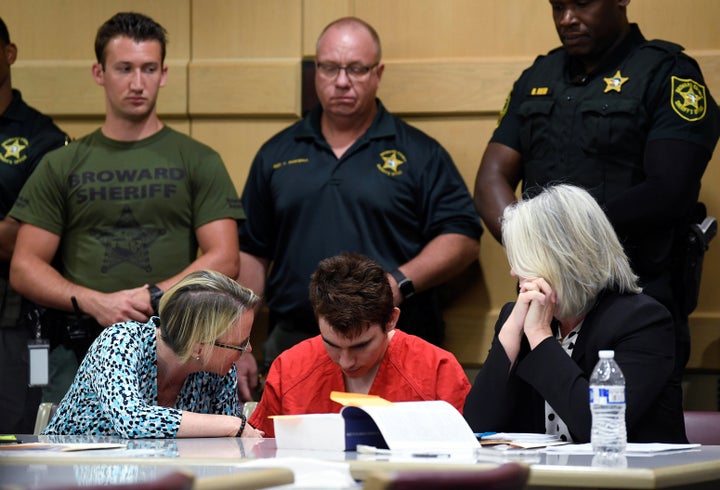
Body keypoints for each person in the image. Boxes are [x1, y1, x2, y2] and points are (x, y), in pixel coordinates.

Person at [473, 0, 720, 375]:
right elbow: (491, 176)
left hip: (635, 301)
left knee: (620, 427)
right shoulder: (539, 76)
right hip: (544, 302)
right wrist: (528, 245)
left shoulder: (667, 73)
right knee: (534, 429)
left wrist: (572, 239)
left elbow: (670, 188)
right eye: (557, 7)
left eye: (582, 4)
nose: (567, 19)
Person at [9, 12, 244, 403]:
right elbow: (24, 266)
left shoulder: (198, 159)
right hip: (76, 348)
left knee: (174, 457)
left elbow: (226, 257)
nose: (138, 83)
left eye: (149, 69)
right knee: (67, 456)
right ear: (99, 73)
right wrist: (94, 301)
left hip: (172, 345)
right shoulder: (62, 163)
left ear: (164, 73)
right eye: (124, 69)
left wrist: (153, 295)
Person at [238, 17, 482, 377]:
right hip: (298, 341)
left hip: (394, 339)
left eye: (356, 69)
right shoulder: (276, 153)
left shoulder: (418, 153)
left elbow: (462, 237)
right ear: (316, 71)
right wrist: (239, 342)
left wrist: (398, 281)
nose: (341, 81)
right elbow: (252, 253)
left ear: (378, 72)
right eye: (329, 68)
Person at [464, 185, 686, 443]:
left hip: (628, 477)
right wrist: (510, 337)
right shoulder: (517, 320)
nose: (514, 272)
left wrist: (539, 337)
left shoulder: (643, 322)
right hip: (544, 479)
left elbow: (598, 429)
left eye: (525, 258)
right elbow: (476, 428)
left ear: (564, 260)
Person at [248, 252, 471, 437]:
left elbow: (471, 458)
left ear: (391, 320)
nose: (346, 362)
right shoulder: (289, 369)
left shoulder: (437, 370)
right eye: (331, 344)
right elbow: (261, 452)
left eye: (361, 346)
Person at [43, 270, 264, 438]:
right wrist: (234, 424)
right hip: (67, 476)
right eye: (240, 344)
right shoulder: (120, 342)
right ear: (198, 347)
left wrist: (233, 428)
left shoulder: (220, 368)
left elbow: (228, 444)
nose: (248, 350)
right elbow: (132, 421)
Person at [0, 16, 68, 434]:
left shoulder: (44, 139)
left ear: (9, 54)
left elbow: (21, 241)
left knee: (17, 432)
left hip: (20, 323)